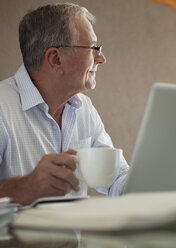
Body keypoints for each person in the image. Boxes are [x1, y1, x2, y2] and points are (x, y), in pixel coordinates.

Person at [0, 3, 129, 205]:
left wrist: (159, 183)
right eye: (93, 48)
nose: (101, 58)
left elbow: (117, 178)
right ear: (56, 59)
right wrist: (27, 186)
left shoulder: (85, 109)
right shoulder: (2, 107)